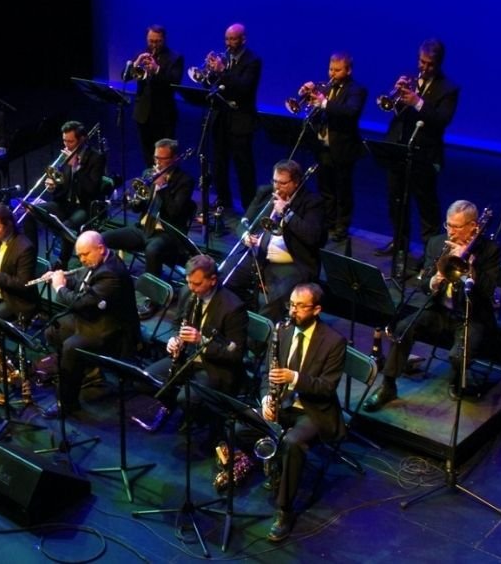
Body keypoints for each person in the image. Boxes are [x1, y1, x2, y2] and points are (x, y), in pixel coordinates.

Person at [364, 200, 499, 411]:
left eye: (457, 227)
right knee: (402, 329)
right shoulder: (437, 243)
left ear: (474, 226)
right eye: (448, 225)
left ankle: (457, 380)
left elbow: (487, 291)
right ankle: (388, 386)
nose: (451, 232)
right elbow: (424, 285)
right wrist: (433, 281)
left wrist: (469, 268)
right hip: (439, 311)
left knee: (457, 356)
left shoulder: (489, 250)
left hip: (470, 316)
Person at [260, 283, 346, 542]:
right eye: (291, 304)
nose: (293, 311)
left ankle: (284, 510)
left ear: (316, 309)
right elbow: (267, 373)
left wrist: (294, 377)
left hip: (314, 410)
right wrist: (266, 397)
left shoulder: (334, 341)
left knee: (293, 443)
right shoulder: (282, 330)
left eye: (300, 306)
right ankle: (271, 466)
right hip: (283, 403)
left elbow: (327, 388)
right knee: (243, 421)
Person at [130, 255, 248, 432]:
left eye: (197, 284)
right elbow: (178, 324)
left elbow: (235, 354)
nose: (192, 288)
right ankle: (172, 407)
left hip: (214, 366)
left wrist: (202, 340)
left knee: (186, 399)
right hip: (187, 357)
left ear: (213, 280)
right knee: (144, 380)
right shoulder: (188, 292)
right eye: (189, 282)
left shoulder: (233, 308)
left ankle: (205, 423)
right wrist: (174, 339)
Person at [41, 231, 140, 418]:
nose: (82, 260)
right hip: (94, 318)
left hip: (112, 329)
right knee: (53, 330)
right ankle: (86, 371)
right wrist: (61, 277)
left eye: (85, 254)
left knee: (72, 347)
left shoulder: (112, 274)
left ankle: (67, 403)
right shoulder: (96, 262)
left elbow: (81, 302)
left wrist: (60, 287)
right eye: (79, 256)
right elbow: (81, 281)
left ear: (101, 249)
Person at [375, 38, 459, 257]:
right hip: (400, 150)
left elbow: (442, 119)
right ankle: (399, 242)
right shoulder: (410, 80)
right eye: (422, 62)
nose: (424, 67)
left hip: (425, 154)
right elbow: (399, 116)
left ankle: (430, 254)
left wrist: (417, 102)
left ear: (439, 63)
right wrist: (397, 98)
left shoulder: (449, 89)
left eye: (430, 64)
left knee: (426, 207)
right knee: (396, 200)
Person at [224, 160, 326, 322]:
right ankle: (238, 319)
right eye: (275, 181)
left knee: (272, 303)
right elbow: (244, 221)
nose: (277, 187)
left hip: (292, 262)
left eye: (283, 183)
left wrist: (287, 212)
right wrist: (245, 236)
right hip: (259, 254)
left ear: (296, 182)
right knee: (224, 280)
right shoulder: (265, 192)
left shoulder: (312, 202)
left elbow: (313, 236)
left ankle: (258, 340)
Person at [102, 138, 195, 281]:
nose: (157, 162)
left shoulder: (185, 181)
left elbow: (174, 212)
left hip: (166, 233)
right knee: (103, 239)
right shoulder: (148, 173)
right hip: (143, 228)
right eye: (155, 157)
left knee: (153, 250)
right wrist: (136, 201)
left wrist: (163, 187)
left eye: (162, 159)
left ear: (174, 159)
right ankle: (112, 278)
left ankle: (153, 296)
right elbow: (137, 209)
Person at [298, 52, 367, 242]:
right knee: (325, 188)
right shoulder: (327, 87)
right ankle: (327, 221)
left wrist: (324, 102)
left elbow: (350, 112)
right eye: (330, 69)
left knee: (342, 190)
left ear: (348, 70)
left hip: (343, 149)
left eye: (337, 70)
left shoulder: (356, 90)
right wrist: (308, 94)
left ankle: (341, 226)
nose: (332, 74)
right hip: (323, 147)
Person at [21, 121, 106, 268]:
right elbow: (63, 186)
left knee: (65, 227)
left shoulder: (96, 158)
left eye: (70, 141)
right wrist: (53, 187)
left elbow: (91, 189)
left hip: (85, 206)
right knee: (30, 213)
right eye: (64, 141)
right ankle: (30, 257)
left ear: (82, 139)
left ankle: (62, 262)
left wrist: (76, 167)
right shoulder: (65, 155)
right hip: (64, 204)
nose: (66, 145)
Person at [209, 23, 262, 213]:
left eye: (232, 39)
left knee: (244, 168)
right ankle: (223, 202)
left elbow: (243, 88)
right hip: (221, 120)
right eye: (227, 39)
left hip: (241, 122)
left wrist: (223, 71)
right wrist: (211, 73)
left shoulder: (253, 61)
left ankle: (249, 208)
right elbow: (215, 87)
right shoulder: (225, 59)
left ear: (243, 39)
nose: (229, 43)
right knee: (218, 166)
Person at [123, 24, 184, 166]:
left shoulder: (175, 58)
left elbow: (175, 81)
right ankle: (150, 185)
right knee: (147, 154)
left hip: (164, 115)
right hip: (143, 114)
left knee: (165, 156)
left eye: (158, 41)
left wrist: (157, 70)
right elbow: (125, 76)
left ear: (164, 39)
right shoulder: (141, 53)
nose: (154, 45)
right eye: (151, 41)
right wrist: (135, 65)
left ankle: (166, 185)